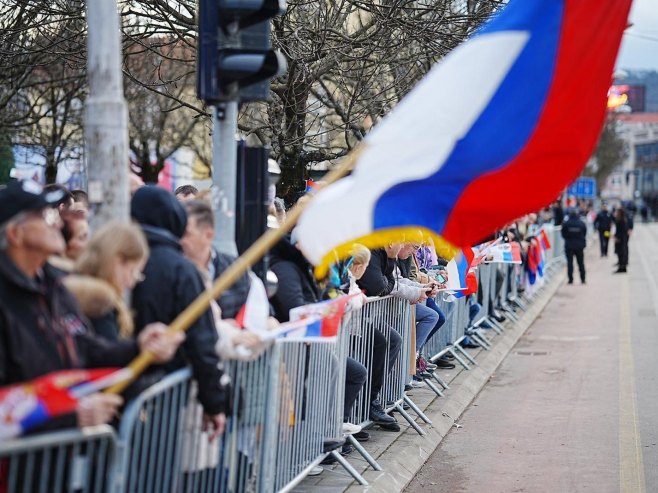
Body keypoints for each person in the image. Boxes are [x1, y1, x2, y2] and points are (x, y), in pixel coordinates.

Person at [0, 180, 182, 432]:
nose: (59, 223)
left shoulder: (54, 289)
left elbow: (85, 349)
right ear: (14, 234)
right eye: (46, 216)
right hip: (20, 467)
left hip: (60, 463)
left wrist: (141, 348)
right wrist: (71, 417)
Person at [130, 186, 230, 440]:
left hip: (123, 389)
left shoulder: (113, 256)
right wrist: (214, 403)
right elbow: (203, 340)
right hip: (161, 392)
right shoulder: (181, 270)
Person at [269, 232, 368, 440]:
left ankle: (320, 436)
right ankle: (311, 441)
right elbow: (296, 307)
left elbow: (324, 295)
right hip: (293, 346)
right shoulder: (286, 268)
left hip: (304, 344)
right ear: (299, 246)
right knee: (297, 401)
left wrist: (342, 302)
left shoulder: (306, 268)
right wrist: (342, 304)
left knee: (330, 374)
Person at [64, 221, 149, 341]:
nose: (131, 283)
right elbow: (107, 354)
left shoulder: (65, 283)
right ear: (118, 261)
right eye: (133, 272)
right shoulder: (100, 302)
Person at [356, 244, 405, 431]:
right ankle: (363, 406)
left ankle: (372, 399)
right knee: (381, 343)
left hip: (366, 315)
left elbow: (390, 285)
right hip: (355, 318)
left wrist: (391, 261)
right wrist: (390, 264)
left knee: (393, 339)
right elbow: (378, 286)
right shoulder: (374, 251)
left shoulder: (386, 256)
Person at [561, 209, 587, 284]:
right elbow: (584, 233)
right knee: (581, 263)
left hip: (569, 246)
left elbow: (563, 233)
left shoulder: (566, 223)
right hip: (579, 246)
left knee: (570, 263)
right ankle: (583, 279)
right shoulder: (581, 223)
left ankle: (570, 279)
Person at [614, 208, 630, 273]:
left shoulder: (622, 220)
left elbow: (622, 231)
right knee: (620, 253)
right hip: (621, 238)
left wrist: (618, 238)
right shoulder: (620, 219)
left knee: (621, 253)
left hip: (621, 239)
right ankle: (621, 266)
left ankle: (622, 267)